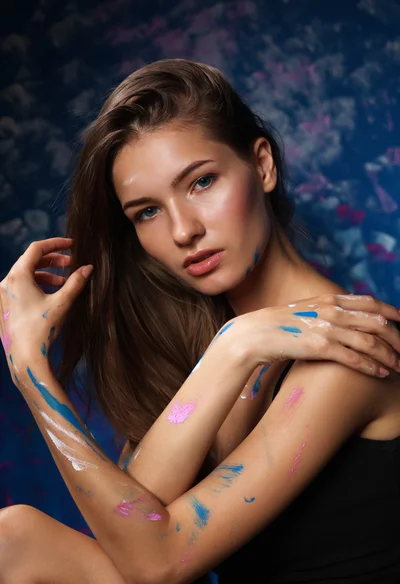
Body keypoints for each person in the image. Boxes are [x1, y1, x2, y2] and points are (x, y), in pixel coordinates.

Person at [0, 58, 399, 584]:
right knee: (15, 540)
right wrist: (230, 351)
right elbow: (130, 522)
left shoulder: (347, 349)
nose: (183, 230)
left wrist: (32, 374)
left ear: (262, 165)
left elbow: (153, 562)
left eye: (202, 182)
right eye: (147, 211)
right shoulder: (218, 349)